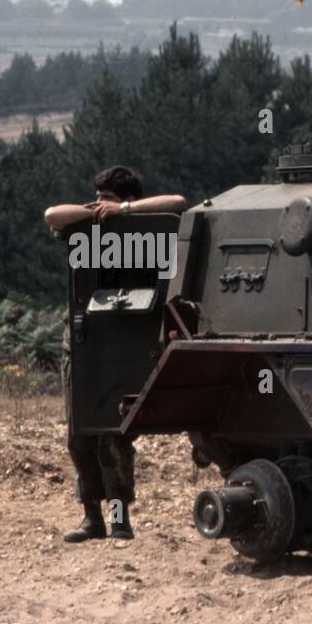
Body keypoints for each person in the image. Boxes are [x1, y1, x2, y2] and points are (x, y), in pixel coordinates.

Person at [44, 166, 187, 543]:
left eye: (106, 197)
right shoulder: (88, 226)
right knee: (79, 433)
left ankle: (120, 518)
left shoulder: (141, 223)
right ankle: (92, 517)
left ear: (129, 199)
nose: (100, 204)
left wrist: (124, 211)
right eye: (98, 197)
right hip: (82, 342)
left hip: (123, 342)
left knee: (114, 435)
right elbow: (51, 215)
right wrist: (93, 213)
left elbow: (178, 204)